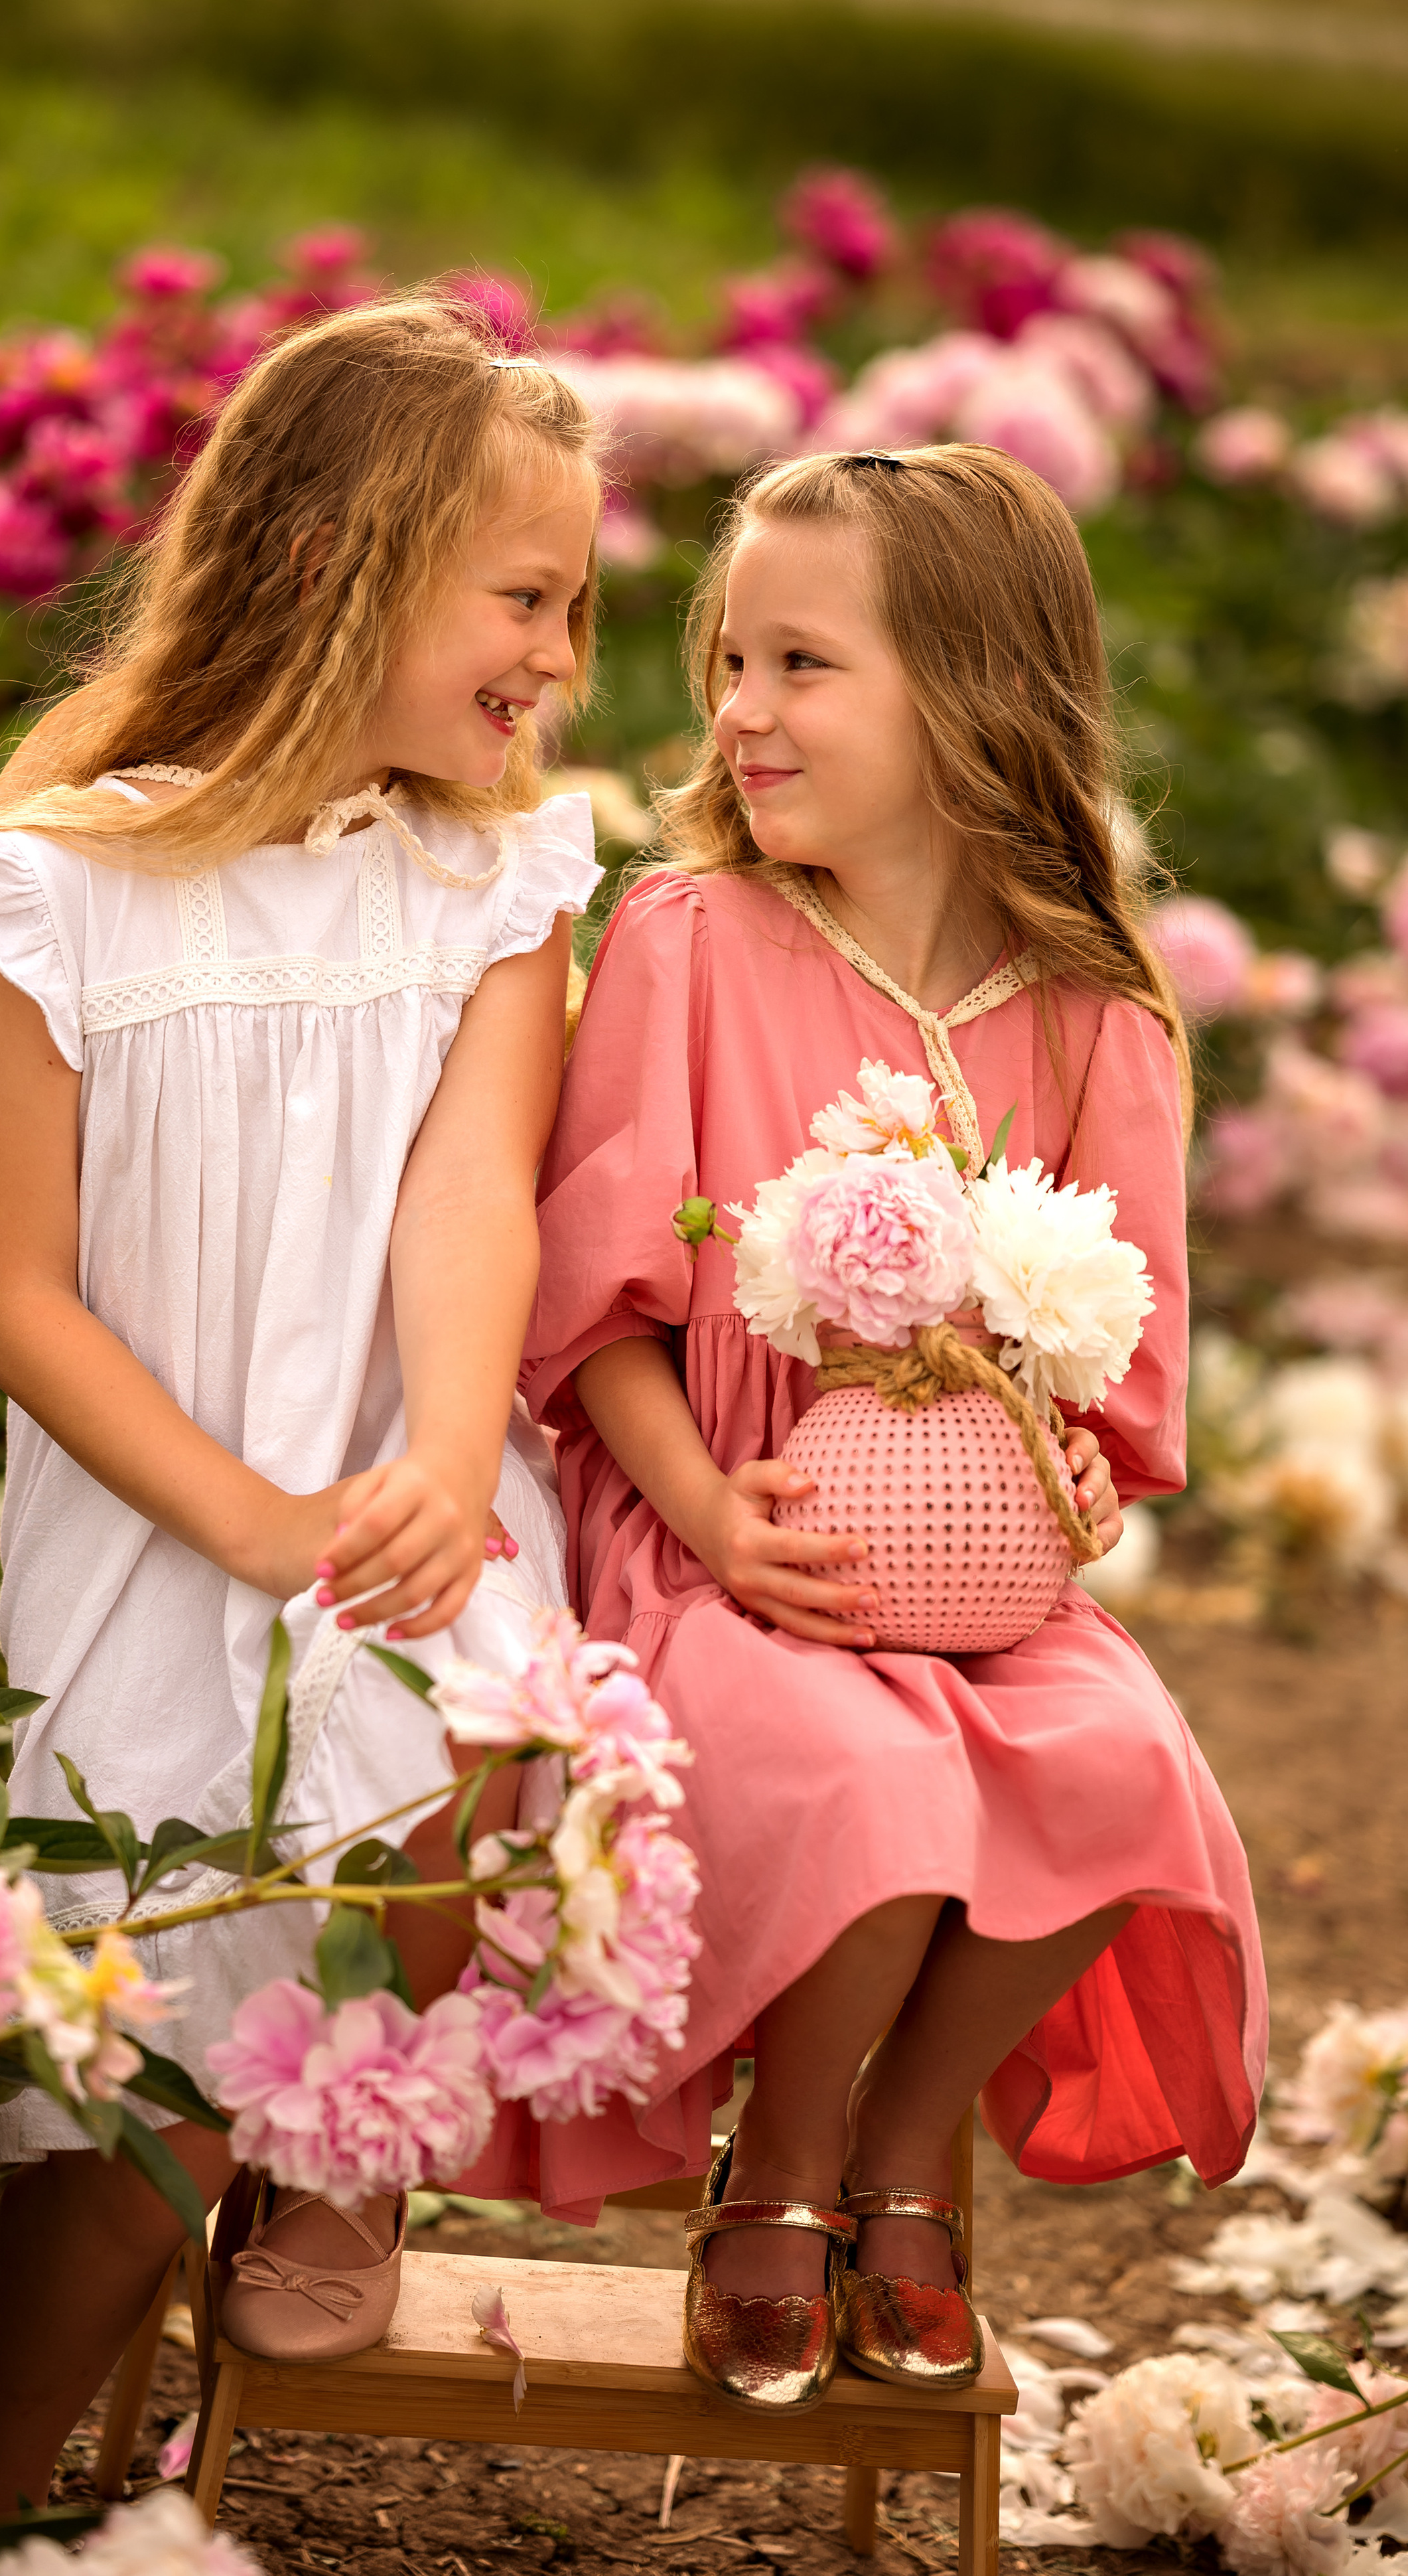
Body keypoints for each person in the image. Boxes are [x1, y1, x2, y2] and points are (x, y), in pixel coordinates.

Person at [0, 297, 602, 2539]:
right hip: (156, 1501)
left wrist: (430, 1463)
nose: (564, 656)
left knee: (443, 1713)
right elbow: (16, 1292)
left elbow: (469, 1188)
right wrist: (247, 1516)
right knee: (140, 2073)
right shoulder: (51, 893)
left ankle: (345, 2134)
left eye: (580, 606)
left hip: (407, 1460)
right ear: (339, 573)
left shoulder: (491, 883)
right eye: (527, 600)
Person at [520, 445, 1265, 2413]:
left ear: (969, 695)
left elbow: (1109, 1382)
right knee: (867, 1785)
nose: (737, 712)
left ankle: (897, 2141)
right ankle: (776, 2173)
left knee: (1126, 1776)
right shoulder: (690, 943)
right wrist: (706, 1505)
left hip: (978, 1566)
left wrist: (1084, 1456)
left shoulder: (1096, 1012)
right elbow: (592, 1301)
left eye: (802, 666)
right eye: (730, 658)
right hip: (725, 1538)